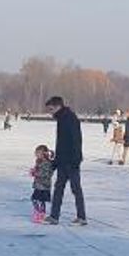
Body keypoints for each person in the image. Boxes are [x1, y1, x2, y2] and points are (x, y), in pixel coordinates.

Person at [44, 96, 85, 225]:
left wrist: (76, 160)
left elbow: (76, 140)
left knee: (75, 189)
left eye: (51, 109)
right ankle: (54, 216)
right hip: (63, 160)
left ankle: (81, 217)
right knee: (58, 188)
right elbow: (61, 143)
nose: (50, 112)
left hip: (71, 161)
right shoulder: (62, 118)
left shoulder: (69, 119)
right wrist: (55, 162)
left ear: (58, 107)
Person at [29, 145, 54, 223]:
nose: (36, 154)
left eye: (38, 153)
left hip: (43, 185)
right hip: (38, 185)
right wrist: (34, 171)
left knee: (37, 199)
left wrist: (36, 173)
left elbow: (46, 174)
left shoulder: (47, 163)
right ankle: (39, 213)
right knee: (37, 199)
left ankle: (40, 213)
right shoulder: (39, 161)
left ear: (44, 154)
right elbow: (39, 170)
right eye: (36, 153)